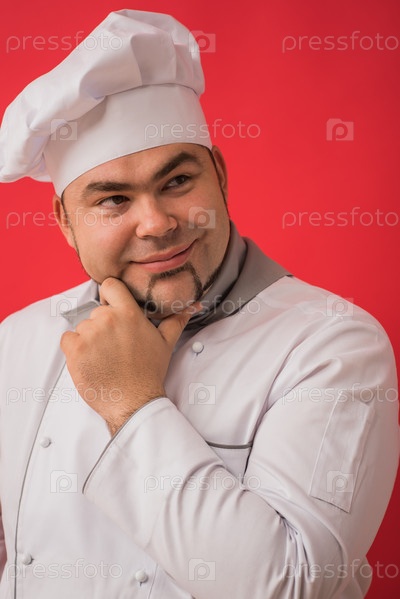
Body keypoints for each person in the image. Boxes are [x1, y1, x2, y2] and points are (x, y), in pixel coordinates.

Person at [0, 9, 398, 599]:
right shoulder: (19, 338)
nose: (157, 224)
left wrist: (132, 406)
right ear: (64, 221)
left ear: (219, 174)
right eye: (112, 201)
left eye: (177, 182)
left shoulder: (332, 343)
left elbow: (294, 586)